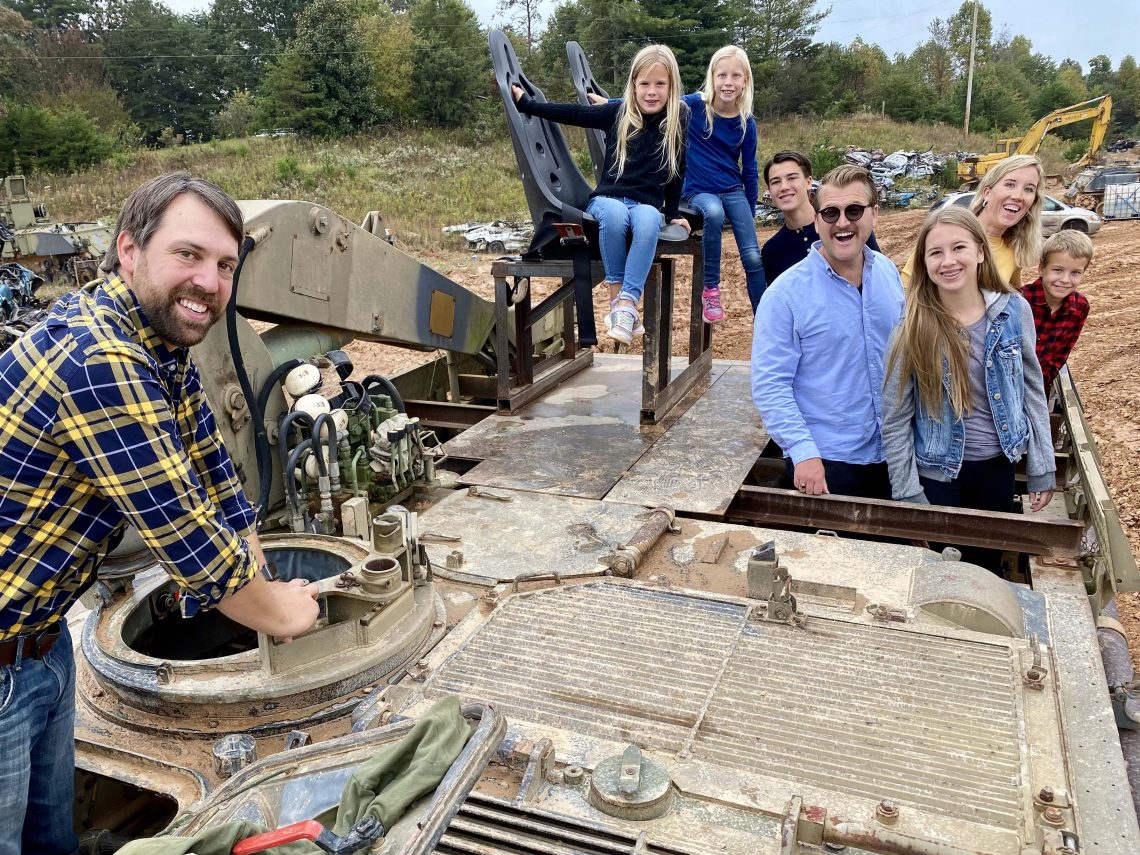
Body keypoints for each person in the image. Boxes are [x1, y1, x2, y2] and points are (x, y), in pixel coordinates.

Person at [0, 173, 320, 853]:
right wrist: (290, 611)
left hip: (41, 642)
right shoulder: (102, 358)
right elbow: (194, 547)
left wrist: (257, 551)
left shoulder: (155, 345)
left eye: (225, 265)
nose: (208, 280)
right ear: (128, 250)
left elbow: (211, 464)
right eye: (188, 254)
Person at [882, 206, 1055, 571]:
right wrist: (908, 494)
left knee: (986, 571)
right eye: (935, 252)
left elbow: (1032, 390)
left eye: (958, 248)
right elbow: (895, 418)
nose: (948, 261)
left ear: (980, 251)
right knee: (937, 573)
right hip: (937, 475)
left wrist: (1042, 466)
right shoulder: (911, 326)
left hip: (996, 468)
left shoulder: (1013, 311)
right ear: (924, 263)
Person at [513, 44, 691, 345]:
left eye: (660, 84)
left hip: (646, 203)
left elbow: (678, 169)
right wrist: (529, 105)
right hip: (608, 199)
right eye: (644, 84)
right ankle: (616, 299)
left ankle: (626, 304)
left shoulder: (678, 117)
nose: (652, 91)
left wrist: (673, 213)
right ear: (633, 85)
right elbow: (574, 113)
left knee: (649, 221)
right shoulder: (619, 113)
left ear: (671, 87)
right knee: (616, 216)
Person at [751, 164, 905, 499]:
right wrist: (803, 451)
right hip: (828, 462)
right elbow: (770, 383)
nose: (843, 222)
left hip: (894, 453)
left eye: (854, 210)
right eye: (831, 213)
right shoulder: (785, 295)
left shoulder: (888, 275)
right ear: (818, 220)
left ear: (874, 215)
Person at [678, 45, 765, 321]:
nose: (728, 82)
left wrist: (749, 211)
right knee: (713, 213)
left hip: (733, 189)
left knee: (752, 255)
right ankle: (711, 290)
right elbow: (654, 103)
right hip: (699, 190)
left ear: (745, 81)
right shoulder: (694, 106)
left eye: (736, 76)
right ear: (712, 77)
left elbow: (749, 169)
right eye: (722, 75)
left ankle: (765, 315)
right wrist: (610, 104)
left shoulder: (745, 122)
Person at [901, 154, 1044, 288]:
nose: (1018, 196)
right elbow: (906, 290)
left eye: (1029, 189)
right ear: (987, 193)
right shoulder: (946, 231)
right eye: (1010, 184)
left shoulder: (1015, 251)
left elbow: (1012, 301)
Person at [760, 150, 880, 288]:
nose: (784, 187)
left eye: (792, 178)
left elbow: (877, 277)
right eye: (775, 182)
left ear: (809, 182)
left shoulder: (846, 228)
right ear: (769, 191)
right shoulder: (772, 251)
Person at [1022, 229, 1094, 392]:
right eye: (1058, 270)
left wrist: (1039, 385)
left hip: (1039, 385)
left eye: (1075, 273)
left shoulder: (1080, 307)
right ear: (1041, 268)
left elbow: (1060, 355)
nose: (1065, 280)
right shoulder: (1020, 301)